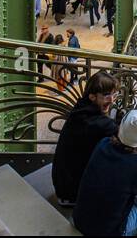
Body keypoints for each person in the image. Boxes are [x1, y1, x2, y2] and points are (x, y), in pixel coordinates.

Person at [51, 71, 119, 203]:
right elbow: (129, 137)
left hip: (64, 186)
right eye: (106, 95)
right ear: (92, 97)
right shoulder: (96, 123)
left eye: (114, 95)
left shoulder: (81, 109)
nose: (111, 100)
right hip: (73, 193)